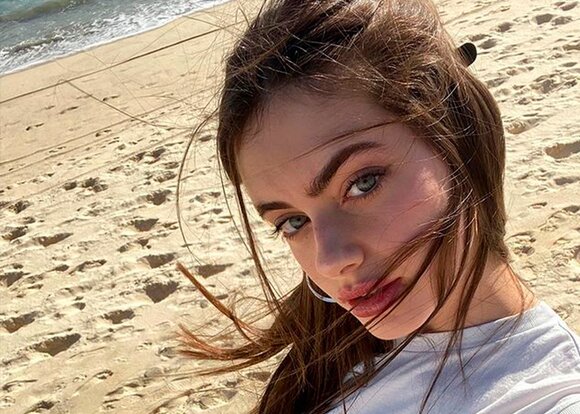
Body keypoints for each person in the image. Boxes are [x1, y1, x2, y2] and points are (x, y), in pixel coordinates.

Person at [176, 0, 580, 412]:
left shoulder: (547, 396)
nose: (330, 260)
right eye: (293, 222)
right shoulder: (329, 357)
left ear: (457, 135)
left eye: (362, 183)